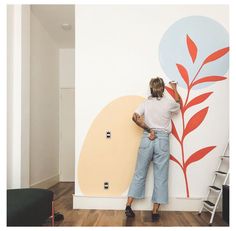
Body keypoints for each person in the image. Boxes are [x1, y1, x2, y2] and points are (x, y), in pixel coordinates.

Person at [125, 77, 181, 222]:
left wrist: (149, 129)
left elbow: (134, 117)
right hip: (162, 140)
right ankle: (155, 211)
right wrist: (174, 87)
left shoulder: (146, 103)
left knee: (139, 173)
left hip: (147, 137)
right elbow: (178, 102)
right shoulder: (168, 102)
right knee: (161, 176)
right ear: (162, 88)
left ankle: (128, 205)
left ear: (151, 88)